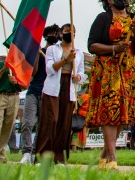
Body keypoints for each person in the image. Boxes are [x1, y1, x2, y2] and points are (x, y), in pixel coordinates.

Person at [86, 0, 135, 170]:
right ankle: (112, 158)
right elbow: (92, 45)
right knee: (110, 113)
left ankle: (102, 157)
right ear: (109, 0)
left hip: (130, 71)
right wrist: (114, 49)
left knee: (123, 116)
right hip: (109, 70)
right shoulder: (103, 18)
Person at [35, 23, 86, 164]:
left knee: (64, 124)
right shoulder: (52, 49)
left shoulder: (79, 52)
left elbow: (82, 72)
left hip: (68, 88)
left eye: (72, 31)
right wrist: (66, 60)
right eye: (66, 31)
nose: (69, 33)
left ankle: (60, 159)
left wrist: (79, 78)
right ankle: (42, 157)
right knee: (51, 121)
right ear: (61, 34)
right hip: (52, 87)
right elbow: (50, 69)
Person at [19, 24, 60, 164]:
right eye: (51, 33)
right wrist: (36, 55)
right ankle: (26, 152)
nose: (54, 35)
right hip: (34, 91)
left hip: (48, 93)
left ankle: (36, 152)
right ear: (45, 36)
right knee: (27, 123)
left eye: (56, 33)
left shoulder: (58, 54)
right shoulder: (39, 51)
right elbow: (34, 72)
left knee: (42, 126)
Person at [0, 60, 23, 162]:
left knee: (8, 125)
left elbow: (25, 86)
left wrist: (16, 82)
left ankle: (1, 153)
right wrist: (3, 69)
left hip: (14, 96)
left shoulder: (21, 65)